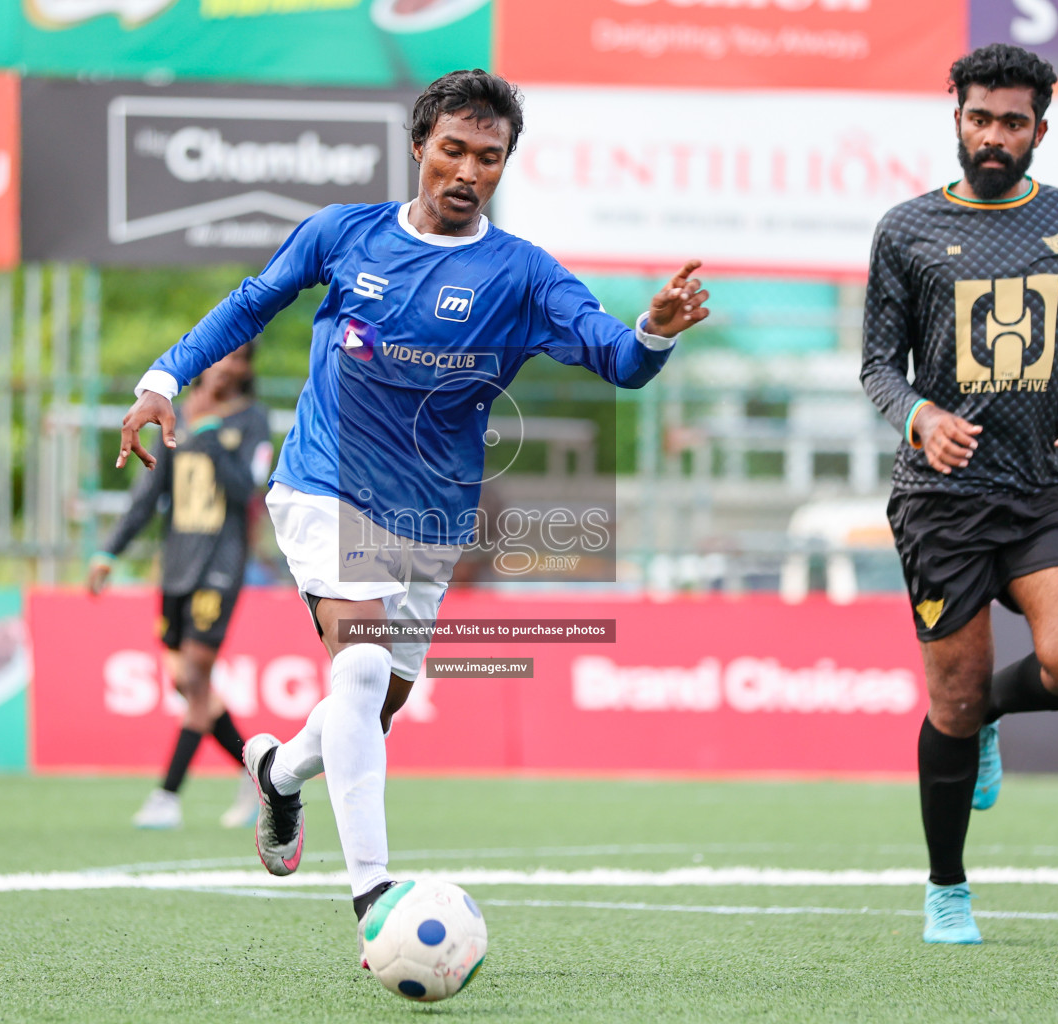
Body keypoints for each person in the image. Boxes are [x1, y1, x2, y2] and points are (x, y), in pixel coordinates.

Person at [116, 69, 709, 956]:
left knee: (381, 703)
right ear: (420, 146)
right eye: (454, 150)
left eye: (490, 157)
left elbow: (616, 360)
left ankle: (278, 772)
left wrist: (654, 331)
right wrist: (162, 379)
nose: (469, 171)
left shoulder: (521, 274)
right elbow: (251, 303)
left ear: (506, 166)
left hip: (429, 521)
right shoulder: (343, 235)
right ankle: (375, 902)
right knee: (356, 675)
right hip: (325, 485)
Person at [860, 44, 1058, 944]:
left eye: (1013, 122)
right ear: (958, 120)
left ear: (1039, 131)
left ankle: (988, 723)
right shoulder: (904, 230)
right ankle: (947, 888)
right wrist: (919, 418)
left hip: (1038, 489)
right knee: (953, 697)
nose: (994, 136)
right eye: (980, 118)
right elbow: (876, 368)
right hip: (941, 501)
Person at [89, 345, 271, 830]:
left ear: (246, 369)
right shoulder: (178, 417)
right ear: (207, 363)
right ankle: (261, 776)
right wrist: (110, 551)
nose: (228, 367)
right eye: (222, 357)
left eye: (239, 359)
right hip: (176, 567)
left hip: (220, 566)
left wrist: (211, 434)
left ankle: (167, 797)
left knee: (193, 676)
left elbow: (246, 491)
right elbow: (150, 495)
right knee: (183, 681)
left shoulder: (253, 421)